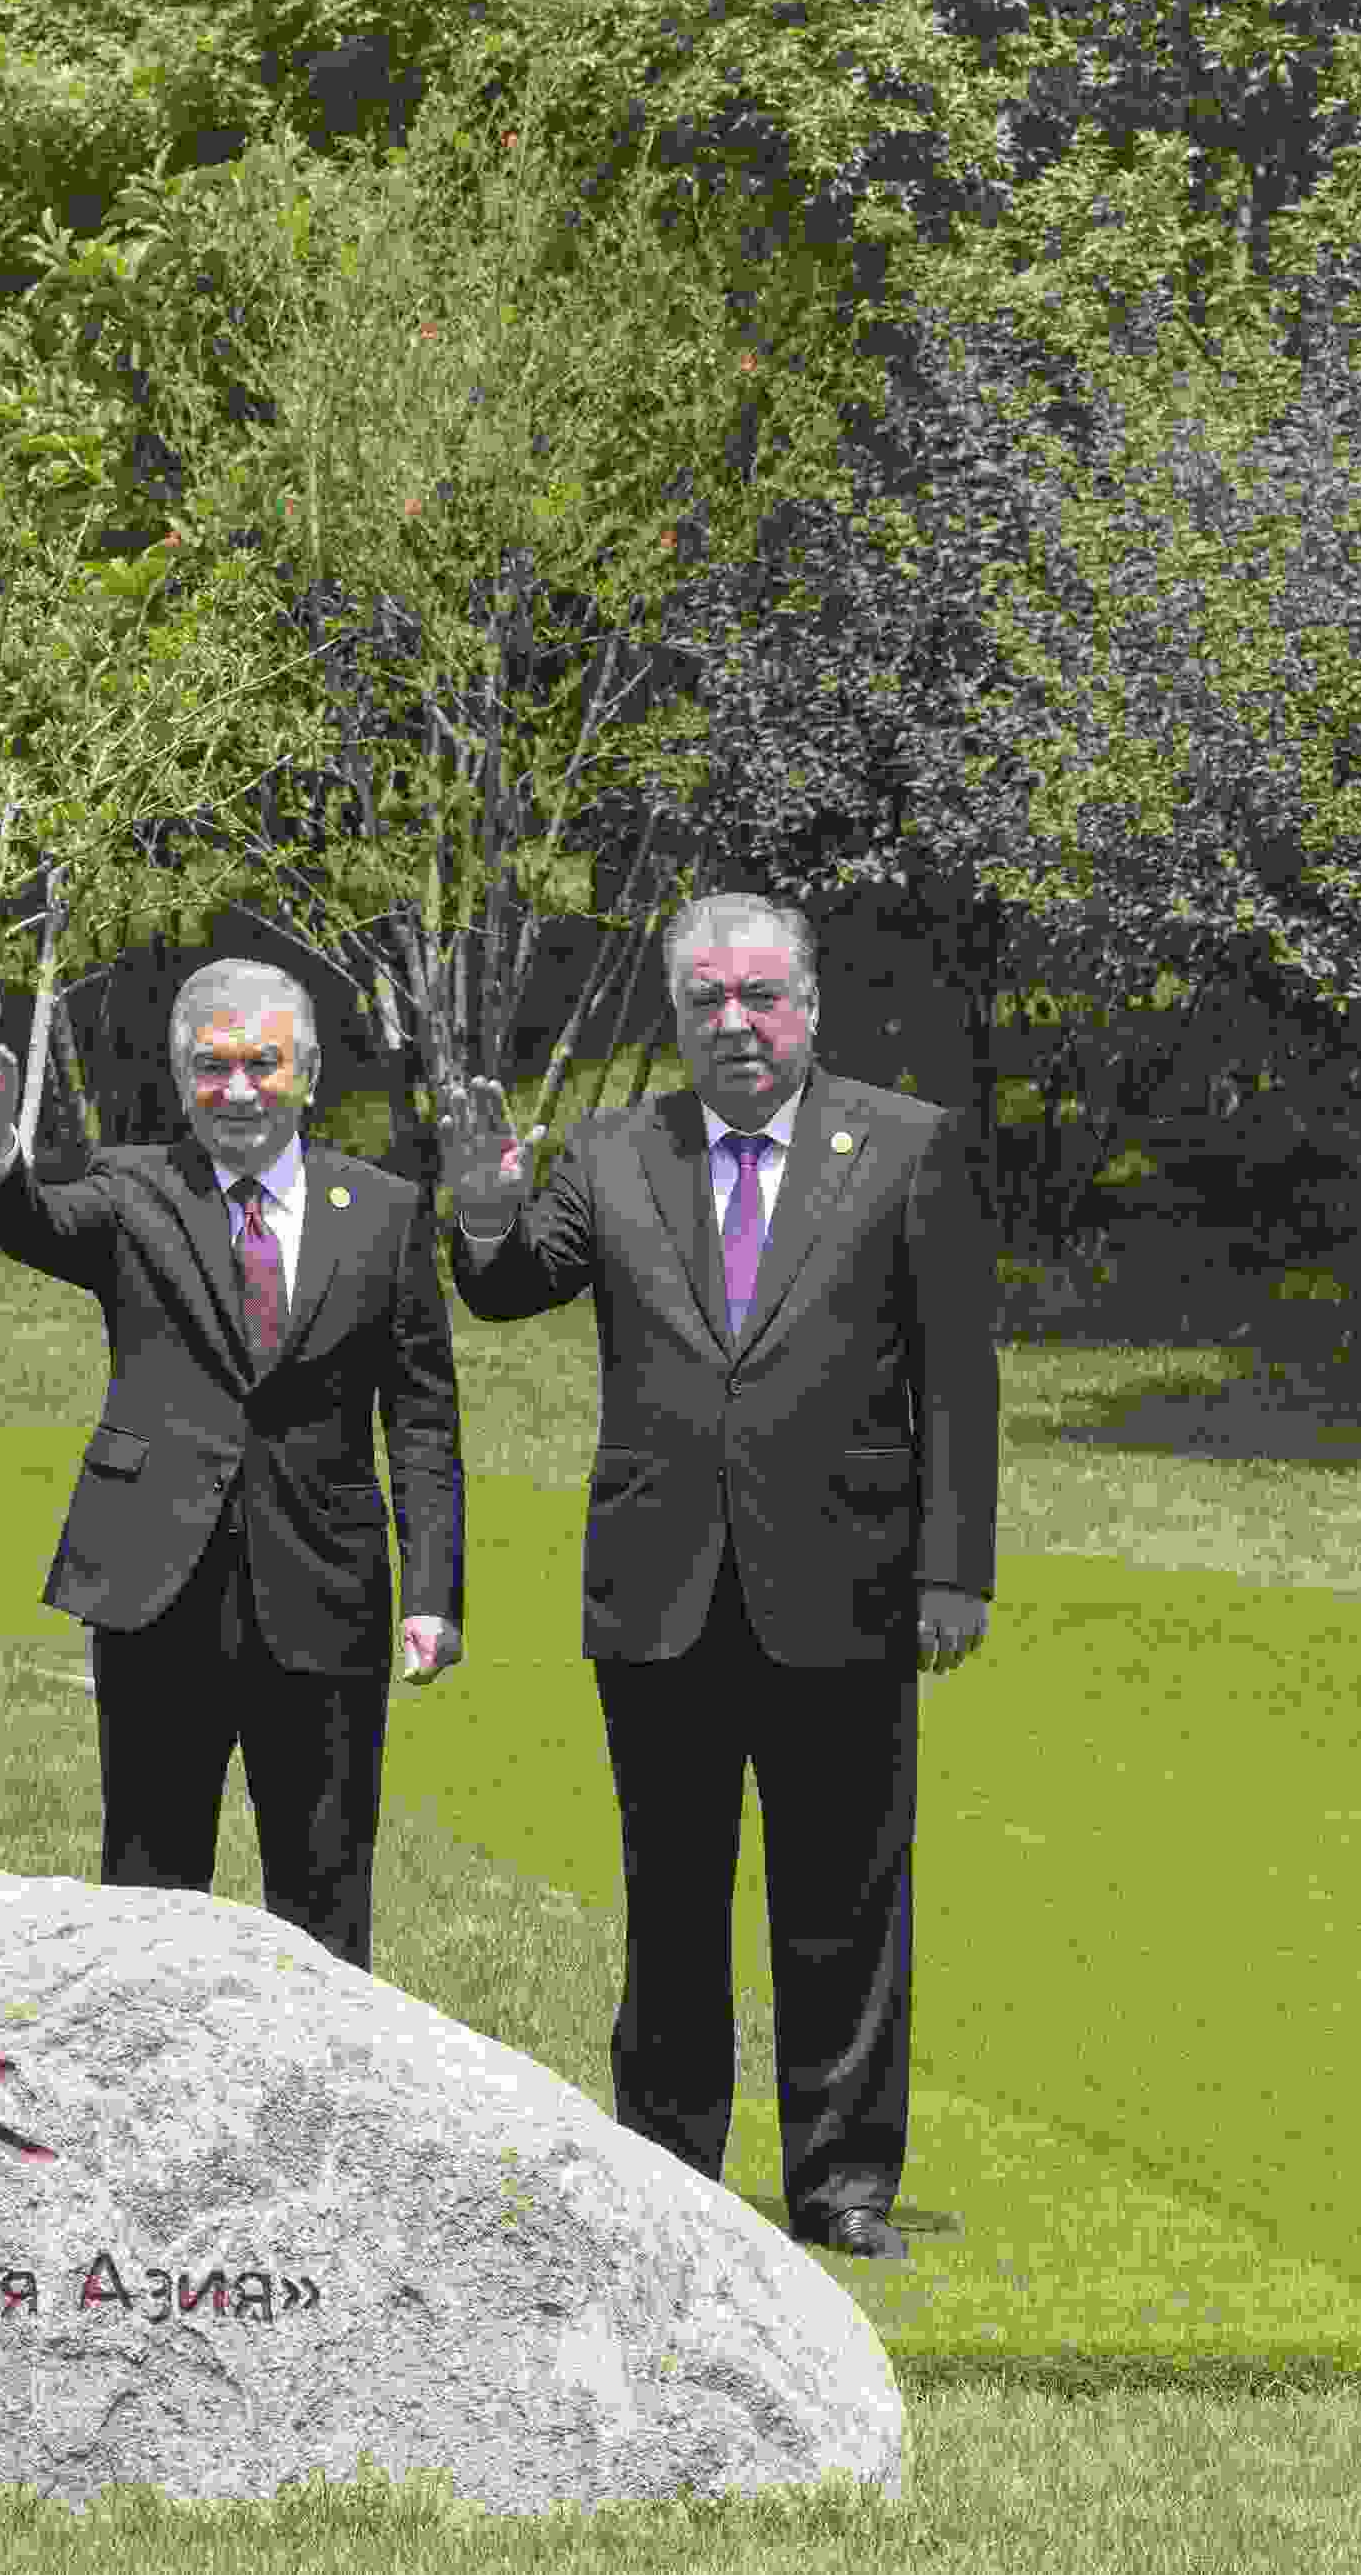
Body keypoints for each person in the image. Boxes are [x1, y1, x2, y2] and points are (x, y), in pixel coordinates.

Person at [444, 891, 998, 2263]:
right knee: (672, 1895)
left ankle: (843, 2181)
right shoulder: (615, 1149)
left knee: (844, 1900)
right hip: (661, 1588)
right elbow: (512, 1286)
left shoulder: (905, 1145)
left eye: (760, 995)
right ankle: (667, 2165)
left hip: (850, 1581)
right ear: (679, 1016)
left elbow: (956, 1379)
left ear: (809, 1004)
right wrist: (483, 1205)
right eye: (707, 1000)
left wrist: (954, 1571)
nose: (735, 1022)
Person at [0, 962, 464, 1968]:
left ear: (307, 1073)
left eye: (262, 1063)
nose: (237, 1089)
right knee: (148, 1891)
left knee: (324, 1894)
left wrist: (432, 1592)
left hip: (324, 1592)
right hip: (154, 1589)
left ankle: (313, 2070)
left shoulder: (384, 1211)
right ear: (180, 1075)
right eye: (212, 1066)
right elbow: (36, 1222)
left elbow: (422, 1417)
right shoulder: (134, 1189)